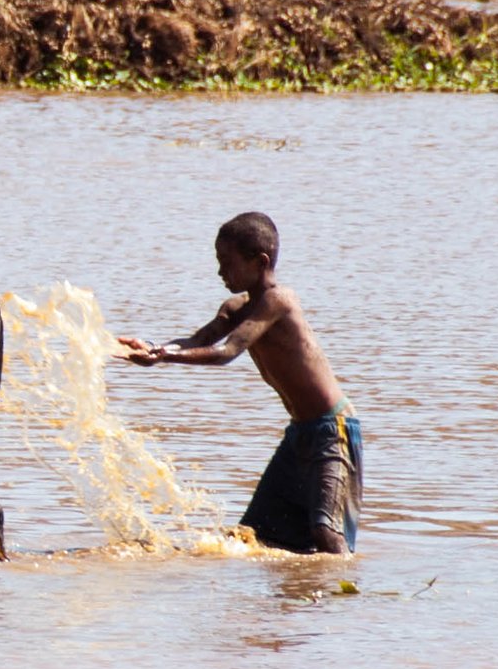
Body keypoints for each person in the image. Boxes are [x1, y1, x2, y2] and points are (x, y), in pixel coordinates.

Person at [118, 212, 362, 554]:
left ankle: (349, 600)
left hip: (331, 429)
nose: (220, 272)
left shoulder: (279, 301)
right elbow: (199, 339)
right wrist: (156, 348)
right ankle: (297, 597)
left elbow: (226, 352)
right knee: (255, 533)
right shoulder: (236, 307)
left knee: (325, 533)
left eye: (227, 263)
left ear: (260, 261)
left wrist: (164, 358)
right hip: (300, 433)